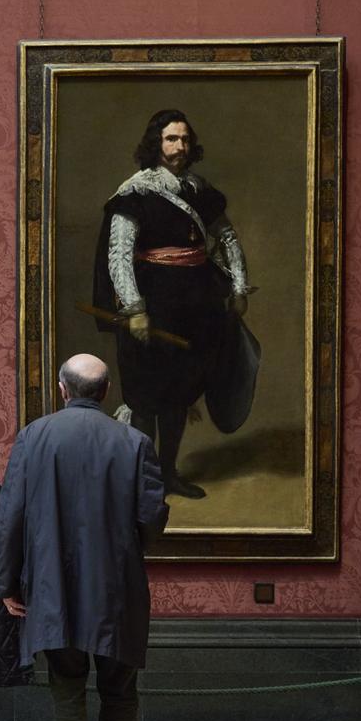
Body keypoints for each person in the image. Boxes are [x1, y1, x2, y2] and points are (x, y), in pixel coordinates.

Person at [0, 354, 169, 721]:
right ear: (105, 392)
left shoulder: (34, 437)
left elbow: (10, 518)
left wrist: (6, 583)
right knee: (120, 690)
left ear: (63, 390)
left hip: (53, 588)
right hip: (116, 588)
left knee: (67, 687)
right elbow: (152, 520)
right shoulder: (134, 441)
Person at [92, 109, 252, 499]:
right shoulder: (135, 192)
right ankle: (145, 480)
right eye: (170, 139)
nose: (178, 147)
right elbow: (119, 254)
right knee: (147, 398)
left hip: (196, 310)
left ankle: (168, 474)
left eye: (183, 139)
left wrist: (240, 287)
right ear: (155, 144)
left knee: (179, 396)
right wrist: (135, 309)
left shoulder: (199, 190)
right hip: (152, 308)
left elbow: (227, 237)